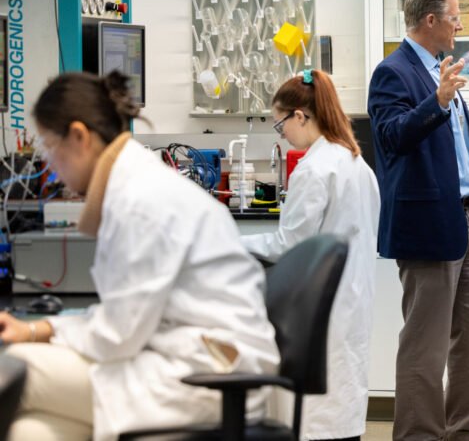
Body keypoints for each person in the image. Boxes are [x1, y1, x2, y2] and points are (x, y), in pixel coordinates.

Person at [0, 71, 280, 441]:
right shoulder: (135, 186)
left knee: (13, 370)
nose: (50, 164)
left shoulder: (140, 200)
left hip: (205, 376)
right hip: (190, 360)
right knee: (33, 430)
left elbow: (117, 335)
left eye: (51, 146)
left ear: (80, 137)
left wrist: (37, 332)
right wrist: (44, 329)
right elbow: (123, 320)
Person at [367, 0, 469, 441]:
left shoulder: (440, 70)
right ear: (431, 20)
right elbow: (391, 138)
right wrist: (439, 100)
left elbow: (443, 146)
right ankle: (418, 436)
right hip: (427, 226)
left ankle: (461, 430)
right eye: (455, 17)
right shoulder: (394, 72)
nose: (459, 26)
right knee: (425, 346)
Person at [240, 69, 380, 441]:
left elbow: (290, 245)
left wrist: (233, 243)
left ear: (300, 116)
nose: (282, 134)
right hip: (352, 298)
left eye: (280, 124)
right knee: (343, 401)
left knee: (317, 415)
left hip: (321, 307)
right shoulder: (355, 163)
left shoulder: (314, 169)